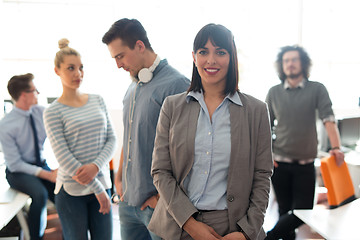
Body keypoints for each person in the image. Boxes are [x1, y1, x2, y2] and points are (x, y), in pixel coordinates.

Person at [148, 23, 273, 240]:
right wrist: (190, 224)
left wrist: (246, 232)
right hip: (179, 224)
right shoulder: (172, 106)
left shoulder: (257, 110)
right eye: (203, 52)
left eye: (220, 52)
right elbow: (160, 171)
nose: (211, 60)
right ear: (194, 57)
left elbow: (262, 176)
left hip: (233, 226)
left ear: (231, 57)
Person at [102, 18, 190, 240]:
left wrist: (162, 197)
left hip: (158, 206)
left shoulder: (177, 85)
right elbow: (129, 138)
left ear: (140, 46)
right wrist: (119, 181)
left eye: (120, 56)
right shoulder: (133, 86)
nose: (118, 64)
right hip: (127, 203)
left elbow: (187, 151)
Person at [265, 45, 345, 240]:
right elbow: (265, 128)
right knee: (285, 211)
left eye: (294, 59)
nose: (290, 64)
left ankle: (268, 237)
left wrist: (336, 147)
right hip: (279, 164)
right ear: (281, 66)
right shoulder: (274, 92)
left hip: (306, 164)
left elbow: (329, 119)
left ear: (302, 63)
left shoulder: (317, 89)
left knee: (302, 212)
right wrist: (267, 155)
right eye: (286, 61)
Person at [43, 39, 117, 240]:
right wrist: (99, 189)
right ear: (57, 71)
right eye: (71, 68)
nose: (78, 73)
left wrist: (95, 166)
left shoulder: (97, 100)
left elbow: (112, 139)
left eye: (81, 68)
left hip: (101, 181)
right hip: (71, 192)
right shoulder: (52, 112)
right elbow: (64, 159)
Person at [0, 73, 57, 240]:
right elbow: (15, 164)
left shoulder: (41, 112)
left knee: (63, 193)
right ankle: (35, 238)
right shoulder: (6, 125)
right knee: (39, 194)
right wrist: (47, 174)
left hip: (40, 165)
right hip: (18, 172)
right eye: (35, 90)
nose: (38, 93)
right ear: (24, 95)